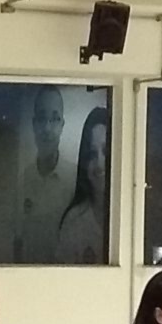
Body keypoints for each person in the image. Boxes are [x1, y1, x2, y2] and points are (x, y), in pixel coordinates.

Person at [15, 86, 75, 264]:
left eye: (55, 119)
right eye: (42, 118)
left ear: (62, 125)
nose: (47, 128)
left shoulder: (75, 180)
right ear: (34, 124)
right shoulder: (23, 180)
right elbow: (18, 239)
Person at [57, 106, 109, 265]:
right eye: (92, 154)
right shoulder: (74, 222)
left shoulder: (135, 219)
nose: (99, 164)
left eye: (106, 152)